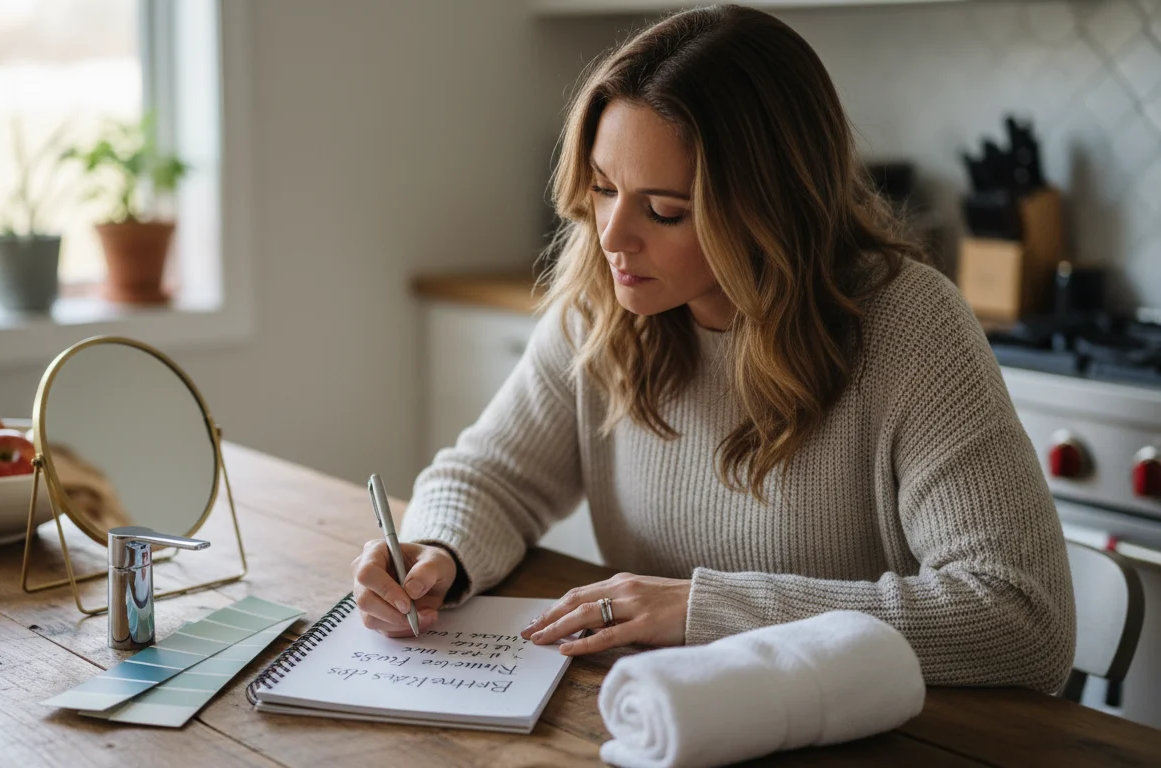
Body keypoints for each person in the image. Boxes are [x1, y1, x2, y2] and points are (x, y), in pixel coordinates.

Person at [350, 4, 1073, 693]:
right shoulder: (603, 300)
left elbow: (1020, 618)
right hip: (667, 717)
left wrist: (703, 611)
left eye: (664, 209)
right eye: (603, 189)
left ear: (766, 207)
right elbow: (491, 477)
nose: (612, 236)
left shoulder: (909, 326)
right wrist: (435, 552)